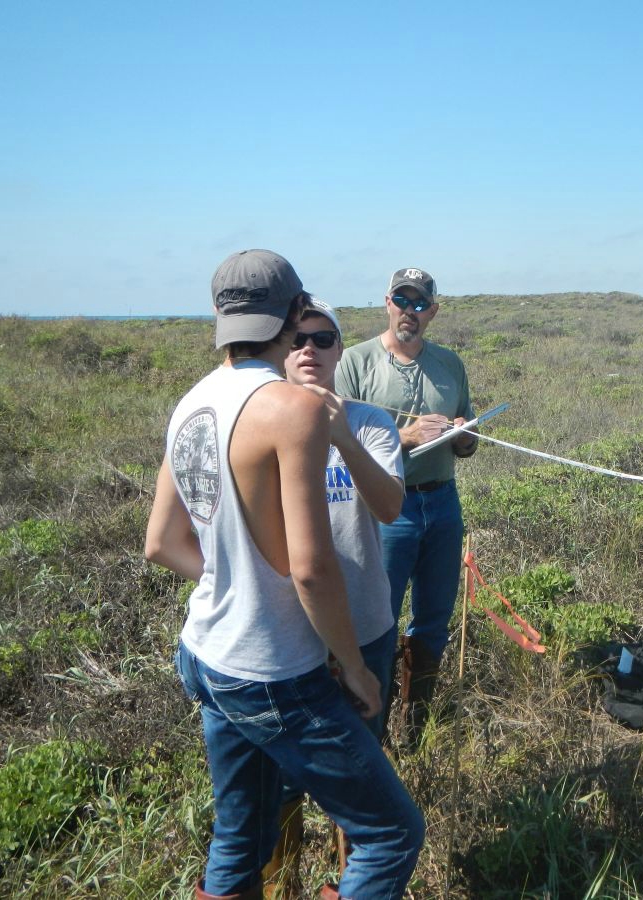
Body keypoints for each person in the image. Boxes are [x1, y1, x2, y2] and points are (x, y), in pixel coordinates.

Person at [144, 250, 423, 900]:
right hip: (273, 669)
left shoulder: (191, 403)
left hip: (206, 653)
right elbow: (310, 566)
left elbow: (161, 542)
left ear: (219, 315)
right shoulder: (289, 410)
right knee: (391, 834)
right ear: (294, 313)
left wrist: (241, 589)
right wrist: (352, 666)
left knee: (240, 835)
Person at [260, 298, 407, 897]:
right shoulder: (260, 422)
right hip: (288, 636)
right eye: (296, 339)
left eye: (322, 339)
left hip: (366, 626)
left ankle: (351, 882)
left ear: (340, 349)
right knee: (280, 781)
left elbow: (390, 507)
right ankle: (283, 882)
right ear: (278, 349)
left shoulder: (373, 422)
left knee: (361, 773)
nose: (308, 351)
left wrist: (344, 438)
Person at [335, 267, 477, 751]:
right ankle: (370, 726)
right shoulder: (354, 363)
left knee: (433, 620)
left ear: (433, 311)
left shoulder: (450, 364)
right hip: (385, 512)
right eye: (402, 300)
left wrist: (464, 436)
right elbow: (340, 443)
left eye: (420, 304)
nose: (409, 312)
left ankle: (414, 728)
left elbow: (467, 444)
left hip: (442, 503)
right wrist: (407, 437)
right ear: (387, 302)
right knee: (378, 620)